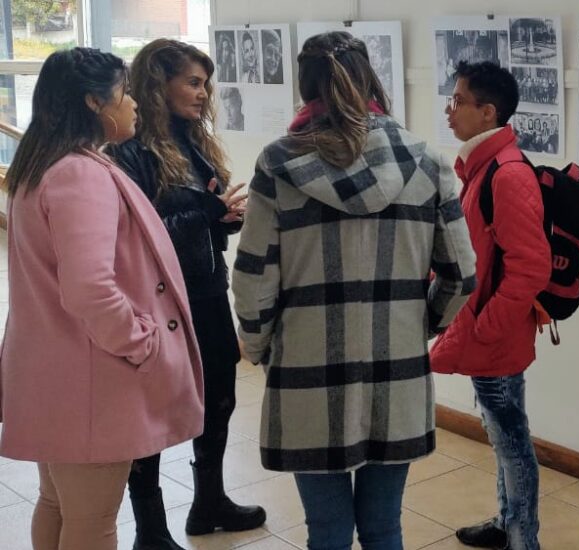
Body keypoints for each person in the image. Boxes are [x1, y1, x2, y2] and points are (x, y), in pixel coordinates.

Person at [231, 31, 477, 549]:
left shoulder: (278, 165)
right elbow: (462, 275)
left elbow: (254, 277)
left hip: (306, 368)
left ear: (304, 85)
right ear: (372, 78)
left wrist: (257, 347)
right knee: (385, 525)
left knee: (326, 529)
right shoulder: (427, 162)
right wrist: (419, 323)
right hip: (398, 369)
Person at [0, 47, 205, 550]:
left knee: (59, 505)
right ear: (94, 103)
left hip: (55, 367)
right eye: (124, 93)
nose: (134, 103)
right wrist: (139, 341)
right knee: (92, 522)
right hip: (89, 376)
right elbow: (90, 286)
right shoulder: (80, 174)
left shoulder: (41, 163)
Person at [107, 39, 265, 548]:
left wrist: (224, 220)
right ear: (159, 84)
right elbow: (137, 235)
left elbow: (196, 219)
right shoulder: (127, 149)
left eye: (205, 85)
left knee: (219, 396)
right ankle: (150, 530)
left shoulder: (193, 141)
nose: (203, 94)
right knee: (151, 409)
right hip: (157, 299)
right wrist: (205, 212)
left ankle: (209, 502)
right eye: (192, 83)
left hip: (205, 288)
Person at [430, 60, 551, 550]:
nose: (449, 109)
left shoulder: (507, 174)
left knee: (512, 441)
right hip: (486, 330)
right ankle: (507, 524)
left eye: (458, 100)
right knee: (502, 434)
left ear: (488, 113)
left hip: (494, 335)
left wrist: (485, 327)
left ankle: (525, 539)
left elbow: (530, 268)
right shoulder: (484, 167)